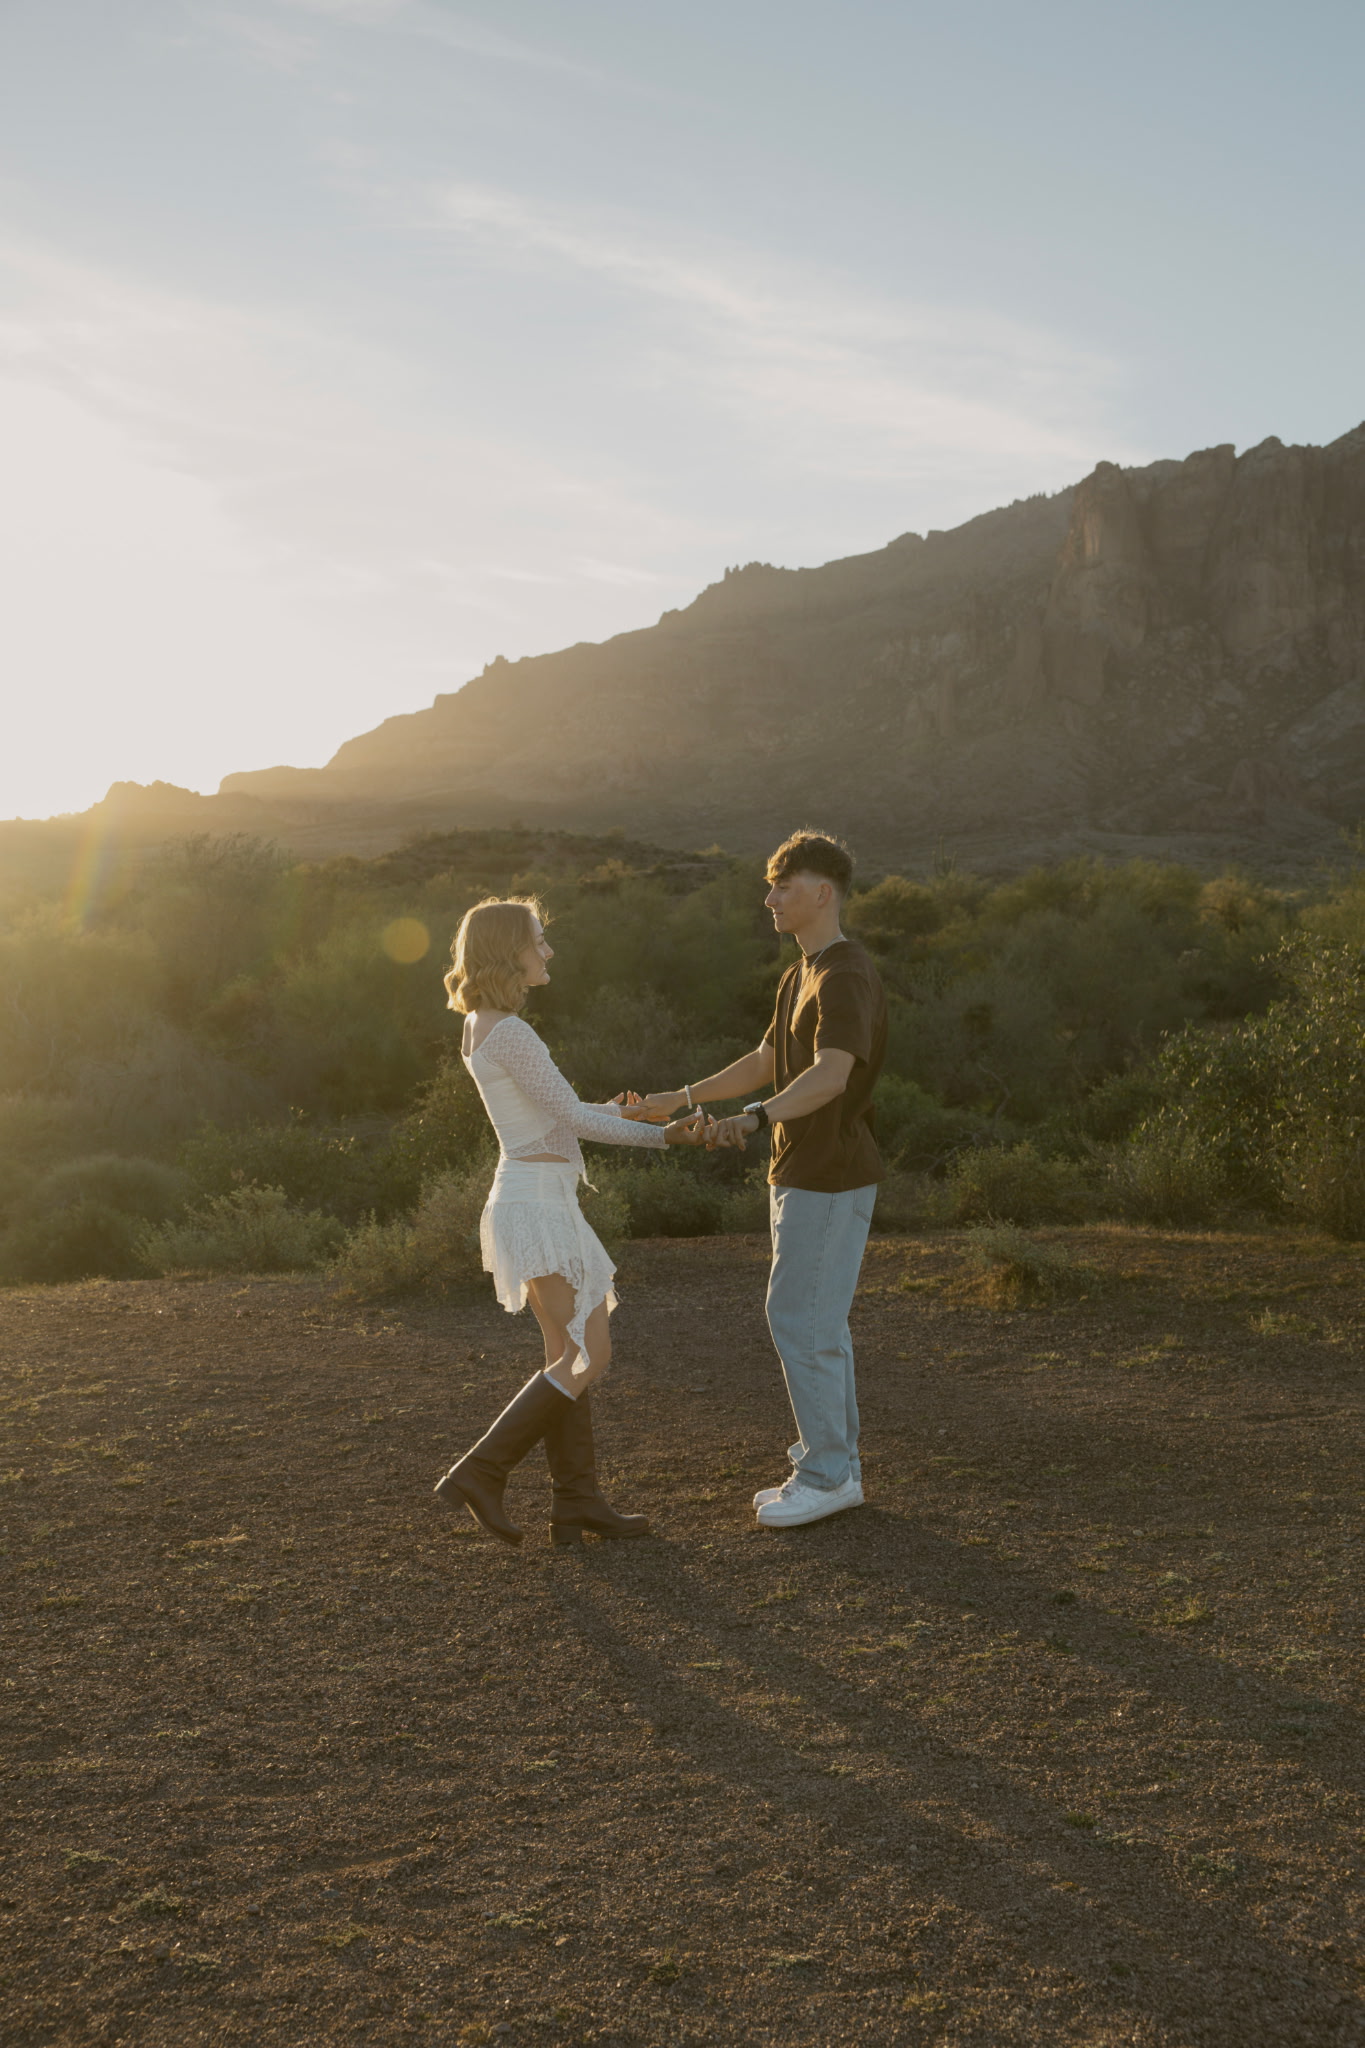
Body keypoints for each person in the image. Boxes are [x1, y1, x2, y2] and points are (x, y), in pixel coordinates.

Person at [433, 895, 712, 1548]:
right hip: (536, 1203)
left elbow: (562, 1110)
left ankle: (576, 1504)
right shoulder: (508, 1030)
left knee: (565, 1356)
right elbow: (574, 1121)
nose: (548, 951)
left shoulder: (483, 1025)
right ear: (509, 951)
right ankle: (481, 1470)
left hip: (534, 1197)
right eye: (538, 940)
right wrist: (667, 1138)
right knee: (589, 1354)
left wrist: (630, 1115)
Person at [646, 831, 886, 1529]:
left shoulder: (843, 973)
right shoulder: (799, 973)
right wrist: (681, 1097)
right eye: (770, 885)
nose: (769, 898)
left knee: (798, 1320)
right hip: (802, 1169)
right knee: (819, 1323)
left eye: (784, 886)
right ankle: (835, 1463)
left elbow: (831, 1074)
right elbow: (765, 1058)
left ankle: (827, 1474)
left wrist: (752, 1120)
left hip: (831, 1172)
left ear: (822, 893)